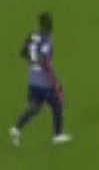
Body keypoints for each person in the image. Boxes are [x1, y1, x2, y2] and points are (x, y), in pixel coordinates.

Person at [10, 12, 70, 146]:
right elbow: (45, 63)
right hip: (44, 82)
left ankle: (16, 129)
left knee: (35, 107)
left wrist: (32, 62)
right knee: (57, 103)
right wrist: (55, 83)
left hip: (32, 80)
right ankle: (58, 135)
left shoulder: (32, 37)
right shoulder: (47, 41)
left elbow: (22, 53)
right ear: (50, 26)